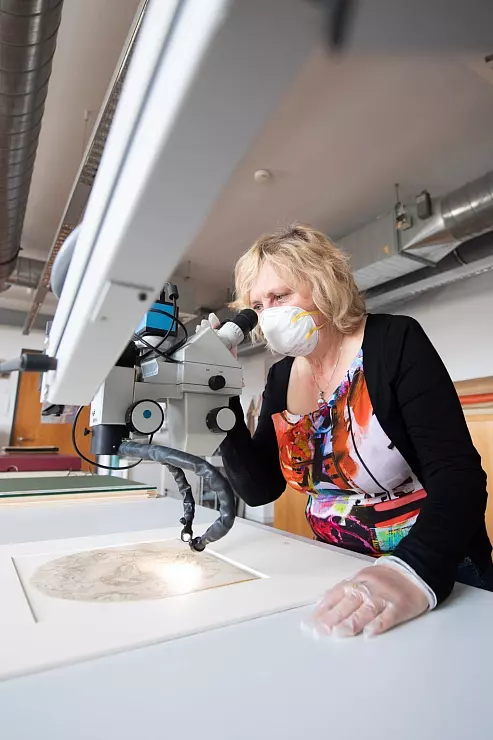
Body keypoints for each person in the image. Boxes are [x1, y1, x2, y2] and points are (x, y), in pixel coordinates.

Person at [219, 223, 492, 638]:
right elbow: (259, 488)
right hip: (338, 571)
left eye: (280, 296)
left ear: (324, 285)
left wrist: (409, 570)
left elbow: (460, 478)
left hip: (429, 568)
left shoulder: (393, 341)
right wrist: (218, 398)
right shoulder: (281, 377)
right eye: (258, 305)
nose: (268, 314)